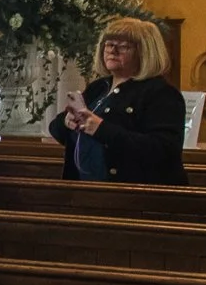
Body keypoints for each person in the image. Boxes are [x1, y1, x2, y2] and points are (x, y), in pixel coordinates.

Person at [46, 17, 187, 184]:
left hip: (136, 195)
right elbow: (56, 129)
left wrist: (101, 129)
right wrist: (67, 122)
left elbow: (164, 150)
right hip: (83, 189)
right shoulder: (98, 88)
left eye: (123, 46)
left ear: (145, 52)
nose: (113, 50)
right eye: (109, 44)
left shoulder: (161, 93)